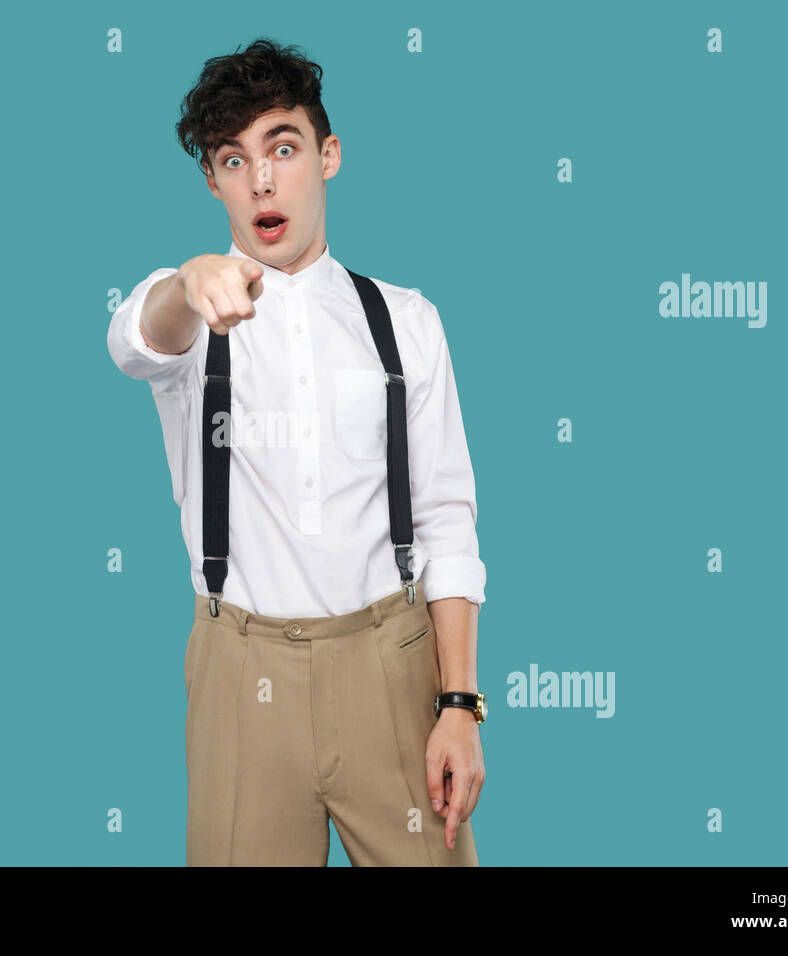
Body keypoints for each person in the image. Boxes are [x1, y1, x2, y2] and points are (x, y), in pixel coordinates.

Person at [106, 37, 488, 866]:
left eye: (282, 148)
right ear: (214, 182)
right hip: (240, 673)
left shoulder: (407, 320)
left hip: (391, 663)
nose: (263, 182)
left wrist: (457, 703)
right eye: (233, 161)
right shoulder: (191, 315)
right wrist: (186, 281)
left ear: (328, 155)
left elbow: (449, 521)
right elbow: (134, 340)